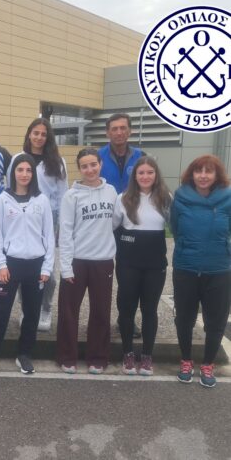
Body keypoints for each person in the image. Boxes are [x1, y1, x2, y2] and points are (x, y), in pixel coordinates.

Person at [0, 154, 54, 380]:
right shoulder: (2, 200)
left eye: (28, 170)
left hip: (35, 265)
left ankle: (24, 354)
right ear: (13, 173)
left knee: (31, 313)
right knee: (0, 313)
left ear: (33, 174)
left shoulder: (42, 200)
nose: (24, 174)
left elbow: (49, 236)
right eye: (20, 170)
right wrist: (1, 264)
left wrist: (47, 268)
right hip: (9, 265)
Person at [171, 155, 231, 388]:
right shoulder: (180, 198)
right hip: (186, 268)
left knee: (216, 321)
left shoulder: (227, 198)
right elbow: (175, 229)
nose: (203, 176)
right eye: (199, 171)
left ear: (217, 175)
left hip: (219, 270)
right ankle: (186, 360)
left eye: (209, 171)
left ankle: (208, 364)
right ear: (192, 174)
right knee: (184, 319)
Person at [56, 148, 117, 374]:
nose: (90, 170)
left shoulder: (111, 192)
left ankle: (98, 357)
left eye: (93, 164)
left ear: (101, 164)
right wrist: (65, 267)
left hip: (103, 261)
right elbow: (65, 232)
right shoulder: (71, 196)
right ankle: (67, 356)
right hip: (77, 262)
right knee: (68, 312)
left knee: (101, 311)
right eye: (84, 166)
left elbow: (115, 223)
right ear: (79, 169)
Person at [7, 118, 68, 331]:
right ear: (29, 134)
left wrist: (59, 227)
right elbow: (10, 188)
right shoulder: (18, 159)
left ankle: (45, 308)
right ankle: (27, 307)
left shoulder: (57, 162)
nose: (39, 137)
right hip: (22, 217)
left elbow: (62, 194)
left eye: (43, 134)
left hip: (48, 218)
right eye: (36, 133)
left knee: (47, 270)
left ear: (48, 137)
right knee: (23, 266)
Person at [113, 156, 171, 376]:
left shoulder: (165, 198)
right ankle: (127, 353)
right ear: (135, 176)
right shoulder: (123, 198)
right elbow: (113, 228)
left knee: (150, 310)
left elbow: (175, 225)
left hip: (155, 264)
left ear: (156, 175)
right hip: (128, 263)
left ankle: (147, 355)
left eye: (150, 172)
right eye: (141, 173)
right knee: (126, 308)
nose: (145, 176)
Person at [99, 113, 145, 339]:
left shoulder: (141, 157)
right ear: (108, 132)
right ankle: (99, 320)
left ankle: (125, 319)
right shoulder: (97, 156)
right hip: (103, 222)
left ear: (130, 131)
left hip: (130, 223)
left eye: (123, 128)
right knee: (100, 274)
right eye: (114, 128)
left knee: (128, 276)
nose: (119, 132)